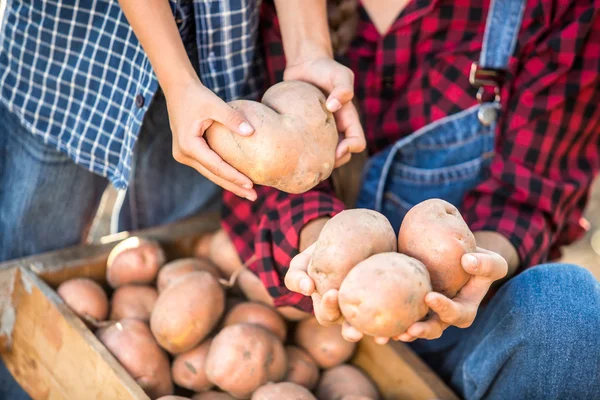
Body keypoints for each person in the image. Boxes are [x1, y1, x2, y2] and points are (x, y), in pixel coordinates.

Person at [222, 0, 600, 398]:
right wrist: (325, 253)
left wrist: (466, 272)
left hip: (473, 320)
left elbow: (530, 192)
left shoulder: (554, 7)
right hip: (325, 318)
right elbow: (268, 164)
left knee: (566, 308)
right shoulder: (294, 14)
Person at [0, 0, 363, 398]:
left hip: (217, 62)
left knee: (169, 248)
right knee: (22, 259)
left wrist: (309, 49)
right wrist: (176, 80)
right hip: (76, 55)